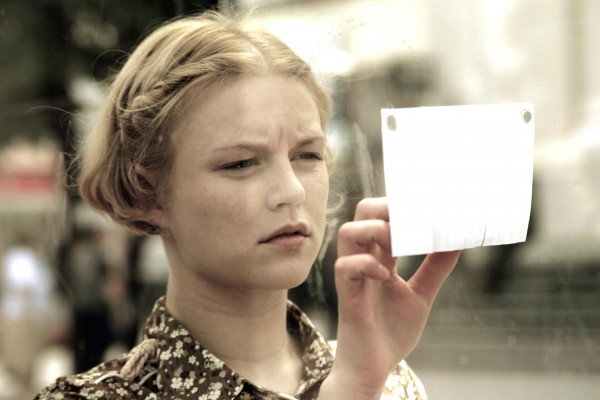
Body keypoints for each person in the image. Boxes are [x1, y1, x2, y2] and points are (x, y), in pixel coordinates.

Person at [36, 11, 460, 400]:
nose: (292, 190)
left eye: (308, 155)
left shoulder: (389, 379)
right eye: (240, 163)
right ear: (150, 193)